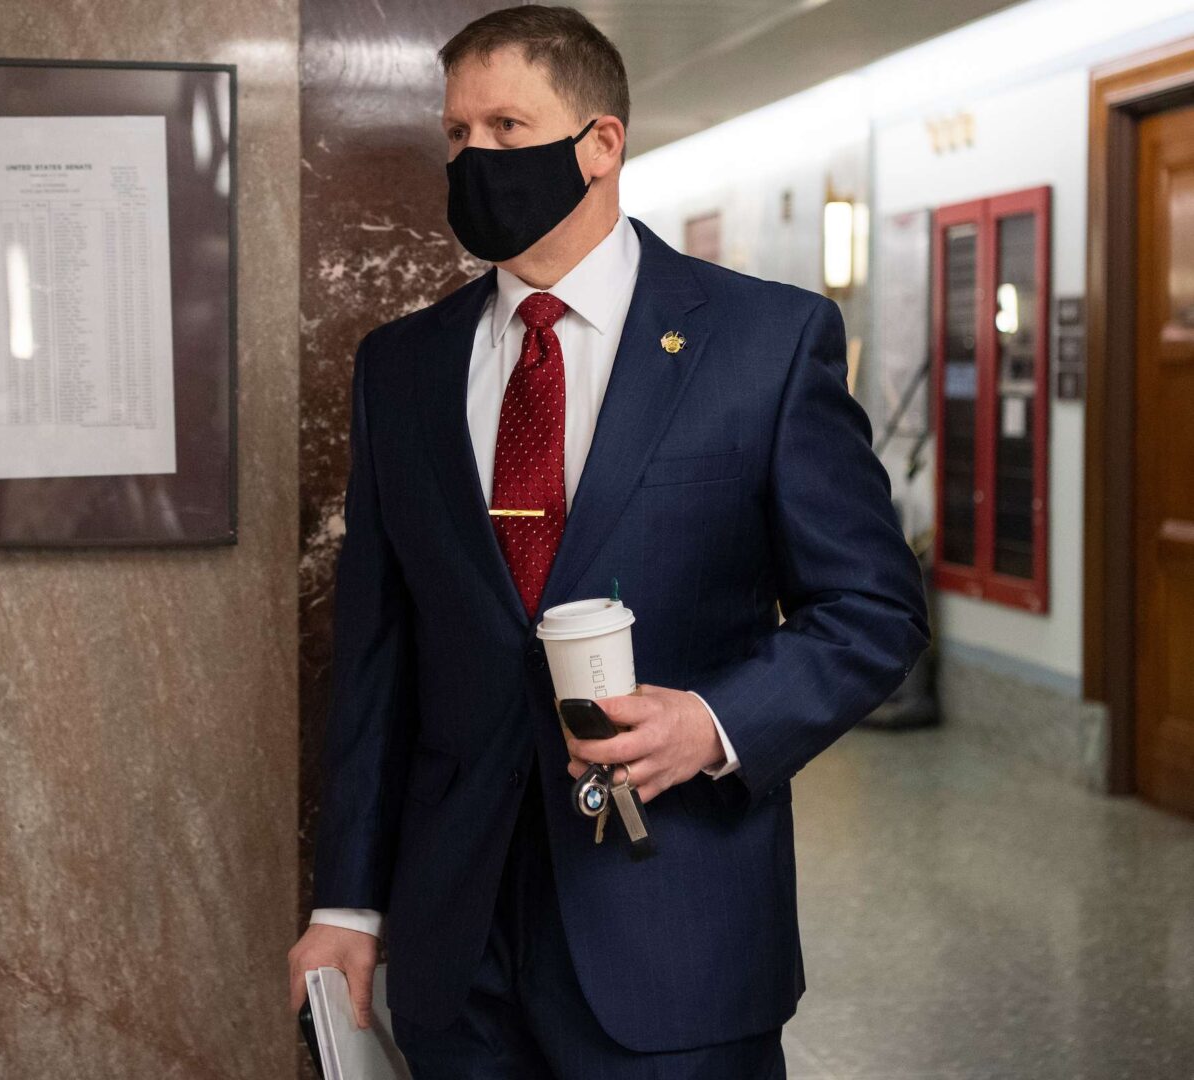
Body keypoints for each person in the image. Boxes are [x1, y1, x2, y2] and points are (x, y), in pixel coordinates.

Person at [287, 5, 930, 1076]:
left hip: (677, 934)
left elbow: (872, 608)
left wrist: (714, 720)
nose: (474, 158)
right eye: (456, 135)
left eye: (505, 127)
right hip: (458, 941)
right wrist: (347, 903)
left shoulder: (763, 343)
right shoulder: (400, 367)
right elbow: (375, 653)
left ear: (600, 144)